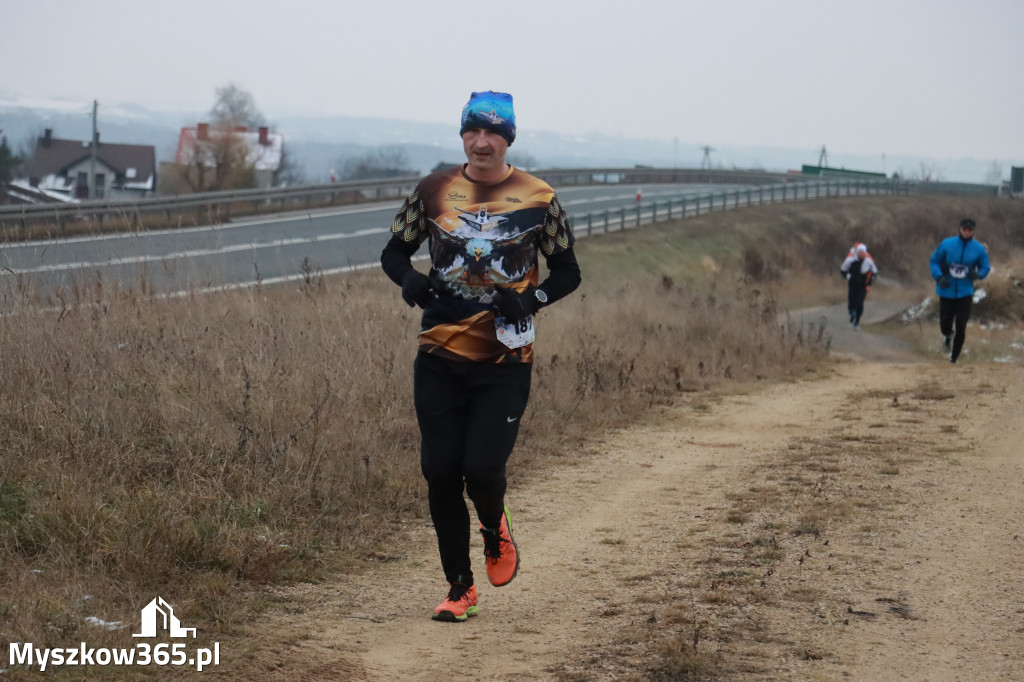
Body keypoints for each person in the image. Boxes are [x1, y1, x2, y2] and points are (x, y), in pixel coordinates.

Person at [380, 91, 581, 622]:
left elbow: (567, 272)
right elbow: (393, 251)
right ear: (463, 135)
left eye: (494, 132)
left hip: (504, 362)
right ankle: (459, 587)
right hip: (438, 355)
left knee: (483, 470)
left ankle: (495, 528)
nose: (482, 141)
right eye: (474, 131)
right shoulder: (434, 190)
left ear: (508, 139)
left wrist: (531, 298)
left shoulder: (538, 197)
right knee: (440, 472)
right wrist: (408, 280)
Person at [929, 218, 990, 363]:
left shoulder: (979, 249)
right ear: (960, 229)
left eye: (970, 230)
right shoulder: (947, 244)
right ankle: (947, 335)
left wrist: (978, 275)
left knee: (961, 325)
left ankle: (954, 358)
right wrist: (938, 277)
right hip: (946, 289)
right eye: (964, 229)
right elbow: (934, 261)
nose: (967, 232)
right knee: (945, 322)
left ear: (974, 232)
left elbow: (985, 267)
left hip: (965, 292)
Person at [840, 243, 878, 330]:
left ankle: (857, 322)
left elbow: (875, 272)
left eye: (863, 252)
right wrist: (848, 276)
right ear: (857, 252)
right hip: (852, 284)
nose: (861, 254)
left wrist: (871, 280)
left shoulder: (869, 261)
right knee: (851, 301)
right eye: (860, 252)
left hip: (863, 285)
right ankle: (851, 311)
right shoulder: (850, 260)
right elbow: (842, 270)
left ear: (865, 253)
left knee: (860, 303)